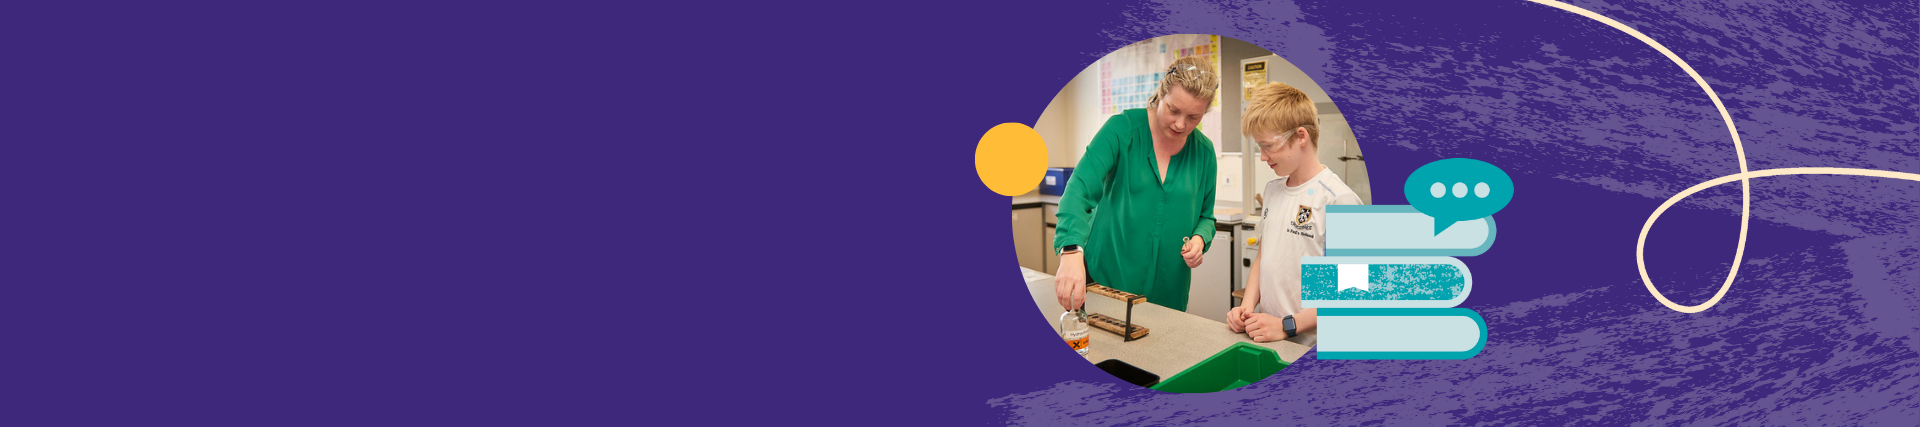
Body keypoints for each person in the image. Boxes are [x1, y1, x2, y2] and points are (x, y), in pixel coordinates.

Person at [1053, 56, 1220, 313]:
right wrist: (1071, 251)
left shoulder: (1204, 152)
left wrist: (1200, 238)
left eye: (1193, 117)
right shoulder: (1122, 130)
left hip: (1168, 291)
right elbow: (1078, 192)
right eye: (1173, 110)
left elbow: (1207, 217)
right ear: (1161, 91)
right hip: (1106, 283)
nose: (1180, 124)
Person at [1227, 82, 1362, 343]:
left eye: (1268, 146)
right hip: (1268, 338)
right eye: (1259, 147)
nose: (1264, 157)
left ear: (1301, 136)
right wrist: (1248, 305)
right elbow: (1263, 258)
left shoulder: (1338, 199)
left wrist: (1286, 326)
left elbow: (1352, 294)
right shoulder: (1272, 191)